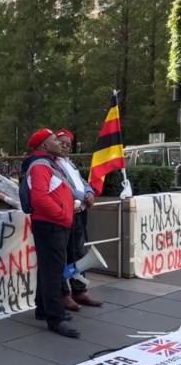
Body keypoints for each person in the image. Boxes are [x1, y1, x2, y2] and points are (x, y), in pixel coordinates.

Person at [21, 128, 80, 338]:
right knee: (53, 273)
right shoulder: (40, 166)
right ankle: (56, 318)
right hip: (52, 225)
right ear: (45, 145)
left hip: (52, 224)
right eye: (55, 139)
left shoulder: (47, 163)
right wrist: (64, 216)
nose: (59, 142)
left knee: (48, 270)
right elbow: (40, 199)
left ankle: (43, 309)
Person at [55, 129, 103, 308]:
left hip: (80, 213)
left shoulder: (69, 163)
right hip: (67, 213)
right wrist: (84, 196)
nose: (65, 146)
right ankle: (63, 294)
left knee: (79, 252)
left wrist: (89, 191)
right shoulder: (52, 163)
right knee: (64, 254)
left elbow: (81, 181)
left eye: (68, 144)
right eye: (61, 143)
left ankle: (80, 291)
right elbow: (65, 185)